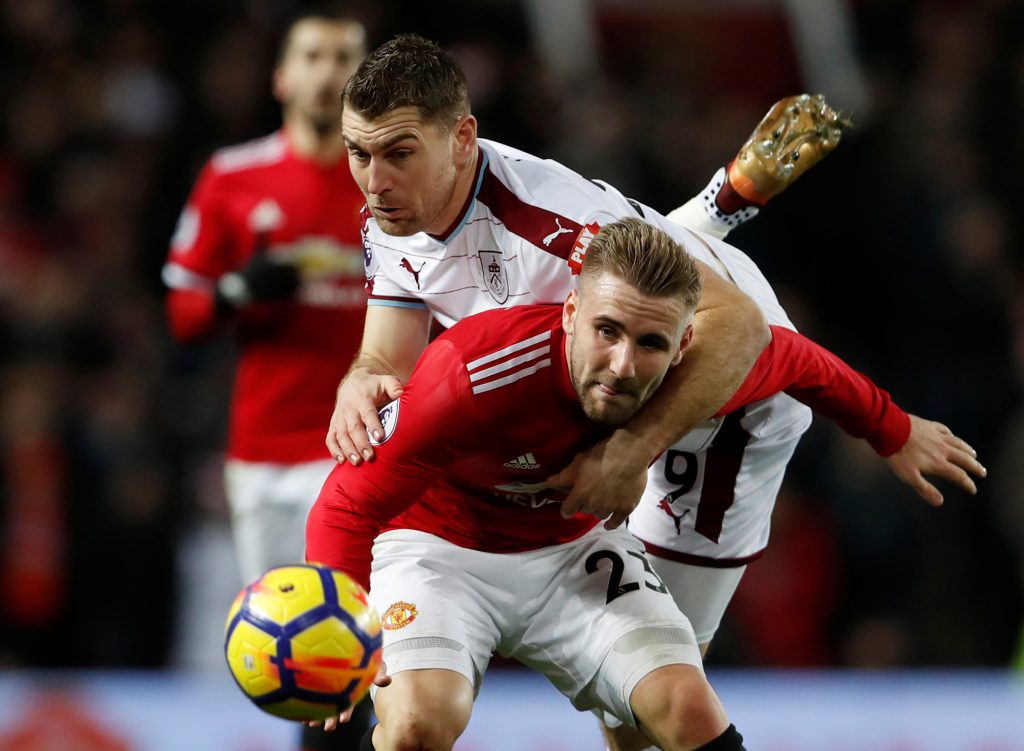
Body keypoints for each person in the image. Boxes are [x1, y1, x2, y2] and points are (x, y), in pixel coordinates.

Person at [324, 34, 984, 751]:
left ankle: (715, 216)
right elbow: (394, 338)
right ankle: (719, 207)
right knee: (615, 338)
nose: (372, 179)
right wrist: (362, 372)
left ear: (462, 138)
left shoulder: (550, 231)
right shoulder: (400, 212)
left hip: (722, 413)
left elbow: (739, 331)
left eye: (396, 153)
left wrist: (636, 447)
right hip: (612, 369)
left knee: (649, 711)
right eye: (358, 153)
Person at [161, 8, 372, 750]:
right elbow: (182, 308)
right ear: (283, 76)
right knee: (298, 666)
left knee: (362, 659)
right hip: (269, 453)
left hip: (370, 447)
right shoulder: (232, 176)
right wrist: (236, 292)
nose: (327, 72)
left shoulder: (391, 178)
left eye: (344, 56)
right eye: (312, 55)